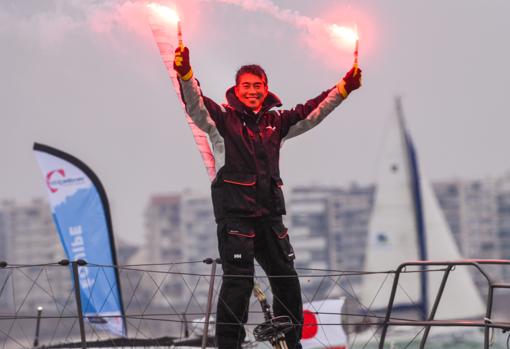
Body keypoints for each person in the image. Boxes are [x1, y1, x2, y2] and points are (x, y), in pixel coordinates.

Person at [173, 46, 362, 349]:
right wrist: (186, 75)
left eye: (257, 86)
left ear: (266, 89)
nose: (252, 91)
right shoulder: (222, 121)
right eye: (246, 86)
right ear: (236, 89)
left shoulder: (276, 123)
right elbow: (195, 105)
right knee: (238, 282)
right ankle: (229, 345)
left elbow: (312, 113)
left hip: (270, 216)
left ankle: (291, 340)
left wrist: (343, 89)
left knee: (286, 277)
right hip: (236, 219)